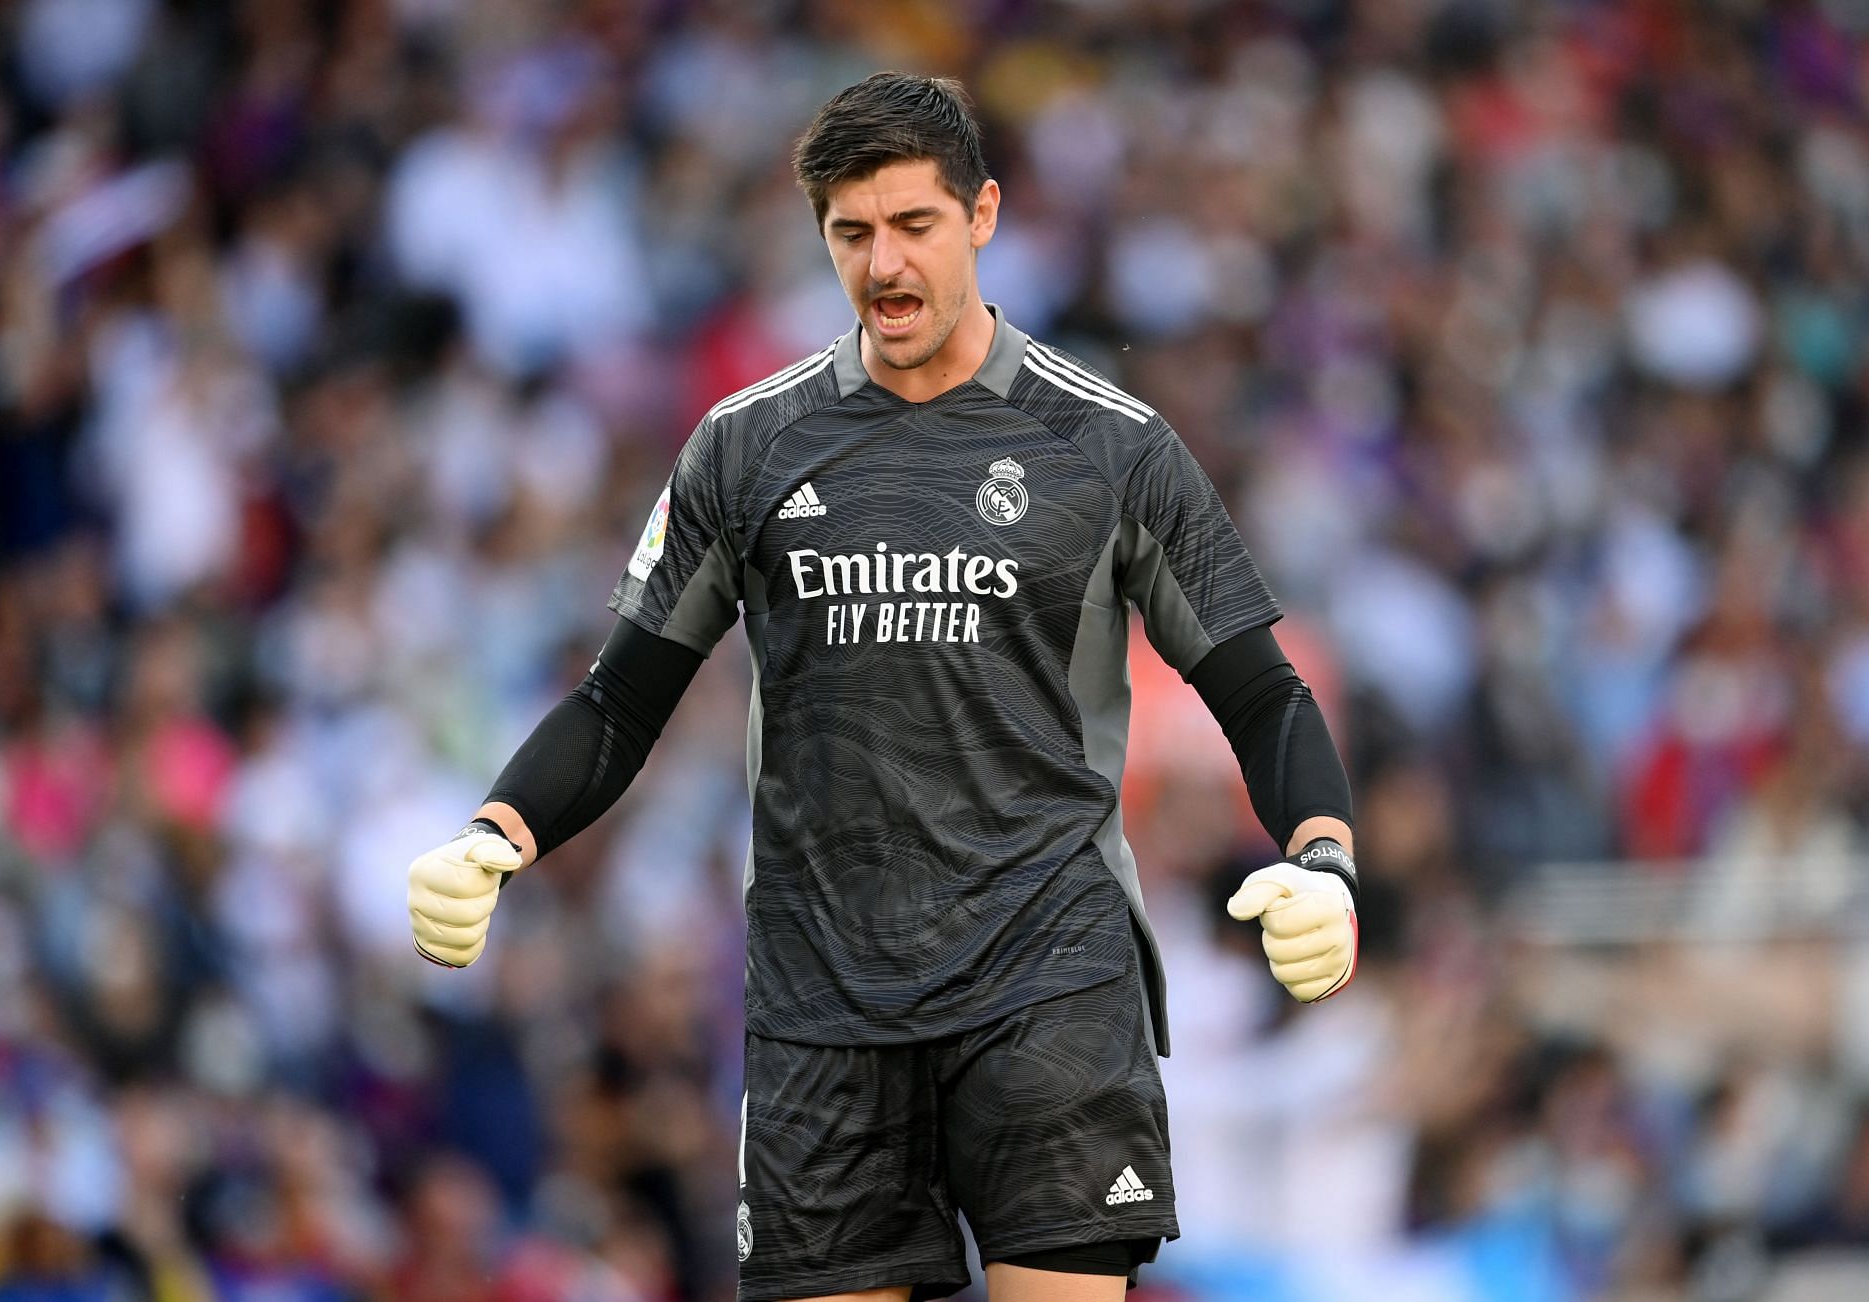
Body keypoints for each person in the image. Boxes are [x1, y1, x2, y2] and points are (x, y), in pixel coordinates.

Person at [406, 72, 1359, 1302]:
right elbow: (618, 701)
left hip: (1049, 979)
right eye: (852, 234)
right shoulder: (748, 446)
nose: (885, 264)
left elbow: (1262, 692)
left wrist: (1323, 856)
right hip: (823, 1002)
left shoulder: (1110, 445)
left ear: (984, 216)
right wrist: (498, 831)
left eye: (914, 225)